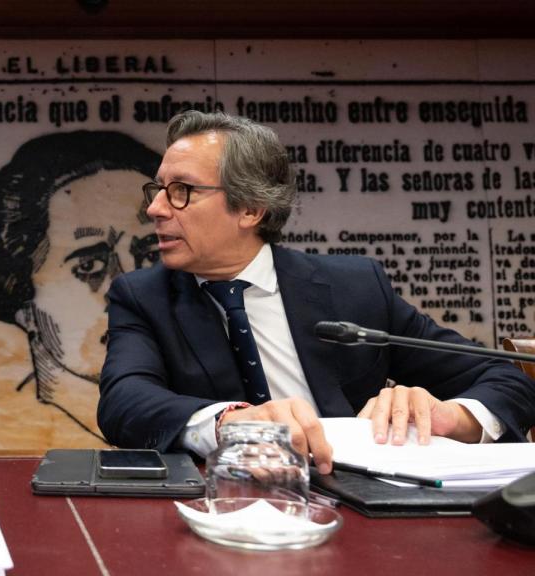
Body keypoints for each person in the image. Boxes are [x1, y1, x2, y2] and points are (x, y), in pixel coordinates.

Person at [97, 110, 535, 472]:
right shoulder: (143, 297)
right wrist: (230, 422)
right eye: (158, 190)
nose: (154, 208)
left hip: (367, 504)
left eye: (181, 192)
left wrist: (450, 417)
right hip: (227, 506)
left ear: (249, 208)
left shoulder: (354, 287)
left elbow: (505, 378)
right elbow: (125, 403)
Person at [0, 131, 161, 444]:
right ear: (24, 305)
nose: (127, 287)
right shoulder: (6, 437)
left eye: (151, 255)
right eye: (89, 266)